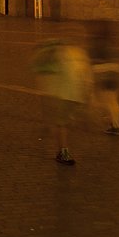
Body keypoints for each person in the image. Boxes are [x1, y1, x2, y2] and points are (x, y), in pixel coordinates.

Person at [33, 38, 92, 166]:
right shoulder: (79, 53)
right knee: (63, 122)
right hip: (75, 96)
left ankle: (63, 152)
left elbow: (47, 72)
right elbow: (86, 76)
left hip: (67, 95)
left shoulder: (62, 53)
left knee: (61, 124)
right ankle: (65, 148)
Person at [88, 21, 119, 136]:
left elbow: (93, 58)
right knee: (113, 101)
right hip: (115, 72)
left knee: (102, 100)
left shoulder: (98, 42)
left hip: (104, 73)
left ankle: (114, 126)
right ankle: (115, 126)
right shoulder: (113, 41)